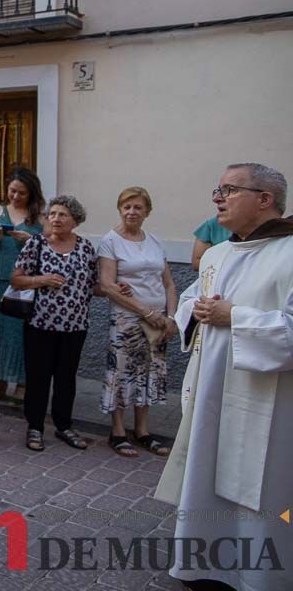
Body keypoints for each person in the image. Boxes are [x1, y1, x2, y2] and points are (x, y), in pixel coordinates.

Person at [156, 163, 293, 591]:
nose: (217, 198)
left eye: (229, 190)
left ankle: (259, 576)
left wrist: (236, 317)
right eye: (217, 189)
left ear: (265, 199)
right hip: (211, 395)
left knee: (264, 492)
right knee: (204, 477)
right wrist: (194, 312)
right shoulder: (217, 254)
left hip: (268, 403)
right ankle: (202, 567)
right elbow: (194, 303)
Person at [12, 195, 99, 452]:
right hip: (40, 324)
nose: (56, 219)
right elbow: (17, 279)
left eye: (63, 215)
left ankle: (64, 426)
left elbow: (93, 284)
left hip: (75, 326)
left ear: (75, 220)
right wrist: (42, 279)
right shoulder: (37, 244)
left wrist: (118, 288)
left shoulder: (85, 247)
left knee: (66, 378)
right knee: (38, 378)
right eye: (53, 214)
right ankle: (35, 427)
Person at [97, 187, 179, 458]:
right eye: (127, 207)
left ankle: (143, 431)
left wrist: (171, 317)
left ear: (147, 212)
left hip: (156, 319)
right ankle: (118, 431)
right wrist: (146, 312)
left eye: (137, 207)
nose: (132, 212)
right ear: (120, 209)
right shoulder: (110, 241)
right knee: (122, 373)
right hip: (127, 318)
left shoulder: (154, 241)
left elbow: (168, 283)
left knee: (149, 374)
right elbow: (107, 286)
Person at [0, 168, 46, 401]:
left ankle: (22, 382)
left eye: (22, 193)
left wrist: (31, 241)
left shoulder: (40, 218)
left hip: (24, 282)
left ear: (32, 193)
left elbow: (49, 251)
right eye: (12, 191)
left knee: (21, 333)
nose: (16, 197)